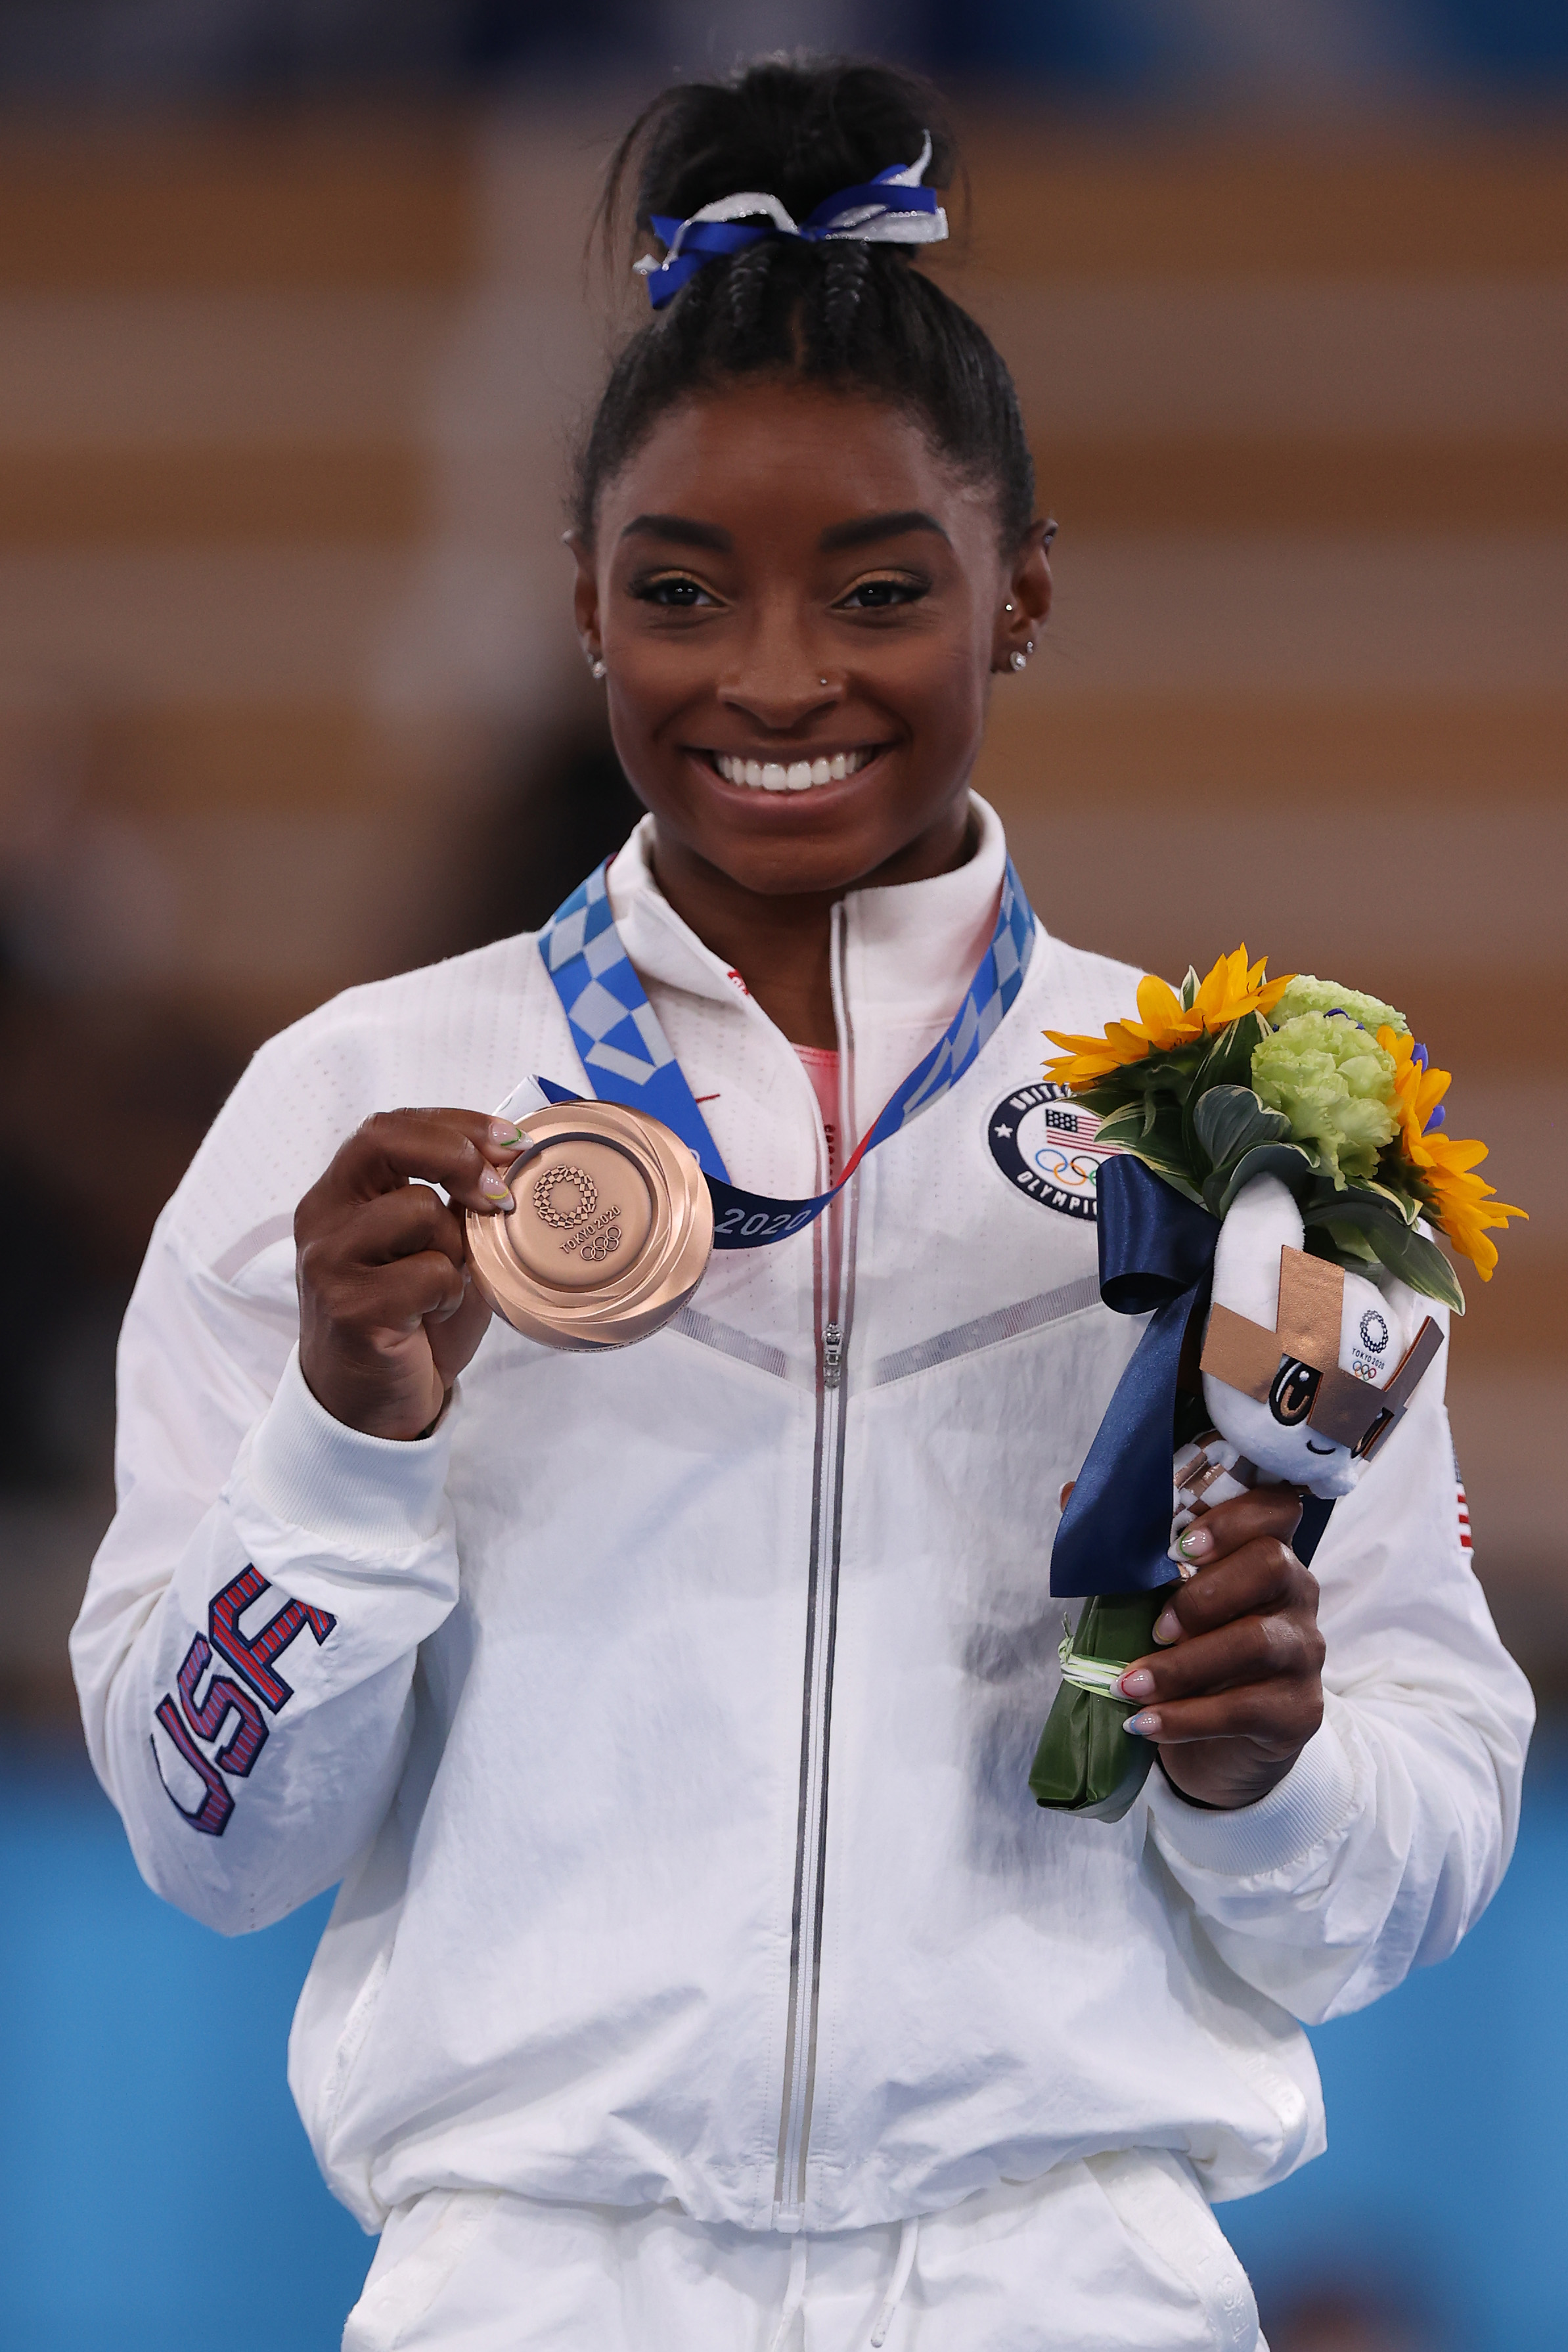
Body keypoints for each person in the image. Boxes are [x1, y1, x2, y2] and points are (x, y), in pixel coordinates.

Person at [71, 57, 1530, 2352]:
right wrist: (344, 1448)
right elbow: (203, 1839)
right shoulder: (362, 1103)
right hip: (532, 2289)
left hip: (1073, 2282)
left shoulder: (1246, 1128)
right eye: (680, 590)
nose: (772, 677)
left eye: (875, 589)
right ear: (581, 602)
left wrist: (1272, 1780)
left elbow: (1407, 1857)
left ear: (1018, 595)